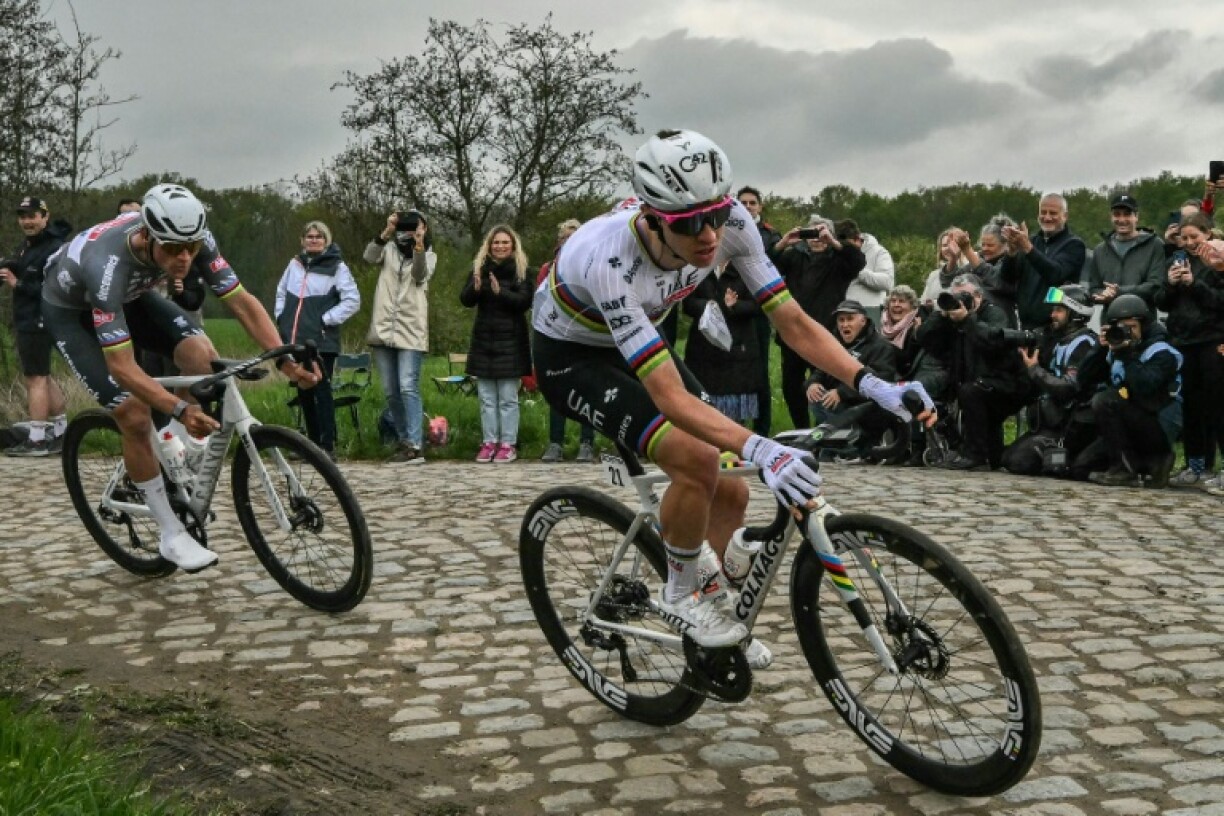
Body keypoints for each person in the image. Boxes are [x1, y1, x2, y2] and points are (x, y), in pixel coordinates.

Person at [532, 129, 932, 659]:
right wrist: (764, 449)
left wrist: (875, 383)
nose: (708, 235)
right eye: (689, 223)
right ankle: (679, 594)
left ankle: (712, 609)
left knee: (735, 489)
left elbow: (791, 320)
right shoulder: (608, 257)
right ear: (653, 219)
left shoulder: (731, 224)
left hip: (635, 335)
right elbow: (672, 399)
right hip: (572, 356)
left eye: (717, 215)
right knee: (697, 457)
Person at [41, 183, 319, 571]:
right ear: (146, 235)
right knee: (134, 413)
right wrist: (177, 406)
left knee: (202, 356)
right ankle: (172, 534)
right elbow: (122, 367)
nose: (184, 258)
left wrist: (285, 360)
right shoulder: (107, 266)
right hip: (72, 311)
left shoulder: (195, 240)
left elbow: (241, 302)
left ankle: (177, 449)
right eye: (172, 249)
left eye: (190, 248)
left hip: (132, 298)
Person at [916, 273, 1033, 471]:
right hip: (975, 384)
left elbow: (991, 341)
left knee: (971, 391)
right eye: (955, 297)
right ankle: (976, 453)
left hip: (1007, 384)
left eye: (964, 297)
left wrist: (968, 320)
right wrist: (941, 315)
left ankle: (975, 455)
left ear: (978, 296)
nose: (959, 302)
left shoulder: (994, 313)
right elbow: (924, 338)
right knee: (954, 392)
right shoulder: (952, 319)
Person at [768, 213, 866, 429]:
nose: (815, 238)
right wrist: (784, 242)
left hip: (825, 333)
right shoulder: (794, 257)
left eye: (820, 233)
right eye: (810, 233)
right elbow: (766, 265)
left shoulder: (838, 260)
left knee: (823, 383)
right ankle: (802, 430)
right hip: (792, 332)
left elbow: (858, 261)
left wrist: (833, 242)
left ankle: (825, 429)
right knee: (791, 386)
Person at [275, 220, 360, 460]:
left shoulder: (337, 267)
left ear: (326, 240)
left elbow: (352, 300)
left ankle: (327, 445)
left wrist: (326, 319)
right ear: (302, 240)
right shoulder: (294, 265)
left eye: (318, 236)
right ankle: (309, 446)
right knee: (304, 392)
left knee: (322, 391)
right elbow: (281, 292)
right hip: (296, 339)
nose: (313, 240)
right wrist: (282, 317)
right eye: (309, 236)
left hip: (322, 341)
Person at [1078, 294, 1182, 488]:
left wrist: (1127, 355)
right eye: (1122, 328)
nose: (1128, 333)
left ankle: (1133, 467)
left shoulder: (1162, 350)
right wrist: (1100, 350)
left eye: (1132, 327)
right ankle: (1147, 466)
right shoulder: (1114, 348)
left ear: (1144, 325)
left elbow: (1146, 387)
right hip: (1128, 420)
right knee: (1081, 466)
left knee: (1105, 400)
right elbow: (1083, 380)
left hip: (1157, 422)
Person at [1153, 213, 1224, 488]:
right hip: (1185, 342)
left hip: (1211, 341)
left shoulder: (1217, 261)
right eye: (1186, 238)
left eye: (1195, 236)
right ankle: (1196, 465)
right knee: (1192, 408)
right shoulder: (1176, 260)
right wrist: (1171, 284)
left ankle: (1218, 466)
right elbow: (1161, 301)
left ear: (1208, 234)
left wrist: (1194, 283)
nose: (1191, 242)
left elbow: (1219, 301)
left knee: (1217, 407)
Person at [999, 285, 1100, 478]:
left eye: (1059, 310)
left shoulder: (1084, 344)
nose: (1052, 315)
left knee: (1018, 462)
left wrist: (1034, 370)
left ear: (1076, 314)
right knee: (1006, 458)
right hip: (1053, 423)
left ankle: (1072, 460)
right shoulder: (1060, 340)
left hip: (1072, 425)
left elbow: (1068, 387)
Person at [1, 196, 71, 457]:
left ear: (45, 217)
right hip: (30, 318)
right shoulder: (29, 245)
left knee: (34, 379)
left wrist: (16, 284)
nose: (27, 222)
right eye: (23, 216)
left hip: (37, 318)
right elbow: (20, 265)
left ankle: (38, 439)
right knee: (42, 375)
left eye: (32, 216)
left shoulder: (53, 248)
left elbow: (51, 287)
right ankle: (63, 432)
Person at [365, 209, 436, 465]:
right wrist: (387, 231)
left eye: (414, 226)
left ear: (424, 228)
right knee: (391, 391)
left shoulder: (429, 254)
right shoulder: (389, 249)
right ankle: (404, 440)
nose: (408, 230)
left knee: (408, 386)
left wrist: (418, 244)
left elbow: (419, 275)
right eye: (405, 226)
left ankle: (416, 444)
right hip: (383, 329)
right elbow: (369, 256)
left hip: (410, 331)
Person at [461, 225, 533, 463]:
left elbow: (524, 302)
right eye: (496, 242)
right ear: (489, 245)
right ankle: (489, 441)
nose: (500, 246)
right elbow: (465, 300)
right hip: (484, 340)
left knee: (507, 398)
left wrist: (500, 291)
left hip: (511, 342)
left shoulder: (521, 271)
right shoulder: (479, 269)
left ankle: (508, 444)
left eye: (505, 242)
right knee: (487, 398)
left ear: (512, 245)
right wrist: (476, 286)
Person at [803, 300, 899, 460]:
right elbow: (821, 369)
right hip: (836, 404)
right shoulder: (834, 344)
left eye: (850, 319)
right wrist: (813, 383)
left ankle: (853, 445)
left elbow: (881, 381)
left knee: (829, 402)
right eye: (841, 320)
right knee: (816, 397)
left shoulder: (880, 347)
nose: (844, 324)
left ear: (863, 320)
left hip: (866, 406)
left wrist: (842, 393)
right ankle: (833, 444)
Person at [537, 218, 596, 463]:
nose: (569, 242)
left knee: (589, 391)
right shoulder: (548, 268)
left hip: (587, 335)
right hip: (558, 335)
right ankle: (555, 443)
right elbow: (539, 300)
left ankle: (586, 443)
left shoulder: (593, 265)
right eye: (565, 238)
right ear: (559, 242)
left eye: (575, 238)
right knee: (558, 389)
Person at [682, 259, 765, 426]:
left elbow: (757, 306)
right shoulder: (696, 269)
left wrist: (735, 305)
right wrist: (708, 305)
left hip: (737, 352)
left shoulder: (746, 268)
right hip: (703, 351)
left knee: (734, 420)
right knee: (704, 416)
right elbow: (687, 304)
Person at [998, 193, 1087, 330]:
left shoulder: (1074, 245)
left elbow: (1055, 274)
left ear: (1065, 216)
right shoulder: (1031, 242)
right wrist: (1012, 252)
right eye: (1043, 212)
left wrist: (1028, 248)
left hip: (1056, 327)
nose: (1047, 217)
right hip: (1026, 326)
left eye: (1053, 213)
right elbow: (1007, 279)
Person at [735, 185, 781, 436]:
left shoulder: (771, 235)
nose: (748, 207)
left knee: (761, 371)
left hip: (758, 307)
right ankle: (735, 428)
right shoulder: (724, 229)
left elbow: (774, 262)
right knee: (734, 370)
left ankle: (762, 431)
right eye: (743, 202)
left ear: (760, 207)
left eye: (752, 203)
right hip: (730, 306)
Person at [1086, 193, 1167, 309]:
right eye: (1117, 215)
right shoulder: (1100, 250)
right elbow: (1093, 288)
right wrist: (1103, 294)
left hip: (1143, 320)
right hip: (1110, 321)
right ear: (1111, 217)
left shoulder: (1155, 245)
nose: (1122, 219)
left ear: (1136, 216)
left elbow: (1155, 286)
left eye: (1127, 214)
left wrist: (1118, 292)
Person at [839, 219, 895, 325]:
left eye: (848, 246)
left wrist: (858, 269)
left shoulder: (879, 252)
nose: (847, 249)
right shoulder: (840, 252)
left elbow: (887, 282)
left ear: (857, 239)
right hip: (843, 311)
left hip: (870, 310)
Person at [920, 227, 973, 306]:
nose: (949, 248)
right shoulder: (933, 275)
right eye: (945, 245)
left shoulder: (972, 270)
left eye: (953, 244)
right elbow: (923, 302)